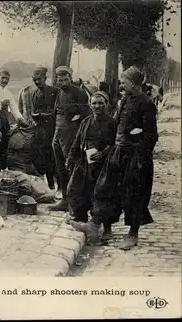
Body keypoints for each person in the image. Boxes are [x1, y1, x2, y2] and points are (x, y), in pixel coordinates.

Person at [71, 66, 158, 250]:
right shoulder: (124, 100)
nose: (121, 84)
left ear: (134, 83)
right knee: (104, 187)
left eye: (124, 81)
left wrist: (140, 155)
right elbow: (118, 127)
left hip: (136, 156)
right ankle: (94, 225)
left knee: (133, 195)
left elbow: (151, 135)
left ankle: (132, 235)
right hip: (118, 153)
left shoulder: (146, 103)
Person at [66, 91, 116, 241]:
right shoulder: (86, 122)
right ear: (90, 105)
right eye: (94, 103)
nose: (97, 106)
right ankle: (82, 221)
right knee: (75, 189)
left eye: (101, 103)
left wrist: (103, 153)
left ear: (106, 104)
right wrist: (70, 158)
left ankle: (107, 228)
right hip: (85, 163)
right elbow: (77, 141)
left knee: (103, 195)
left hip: (104, 166)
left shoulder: (112, 123)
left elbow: (116, 145)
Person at [48, 66, 91, 212]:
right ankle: (65, 200)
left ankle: (75, 202)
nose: (63, 82)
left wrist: (75, 120)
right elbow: (56, 112)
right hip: (58, 133)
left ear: (70, 78)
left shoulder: (78, 92)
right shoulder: (59, 93)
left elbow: (86, 112)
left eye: (66, 79)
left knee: (71, 165)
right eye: (60, 80)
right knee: (60, 166)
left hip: (71, 135)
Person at [17, 67, 60, 189]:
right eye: (35, 80)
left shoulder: (55, 91)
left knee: (53, 157)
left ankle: (57, 186)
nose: (37, 82)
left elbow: (57, 111)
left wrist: (42, 115)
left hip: (52, 129)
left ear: (45, 79)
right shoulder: (35, 93)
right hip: (40, 130)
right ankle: (47, 185)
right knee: (41, 156)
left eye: (39, 79)